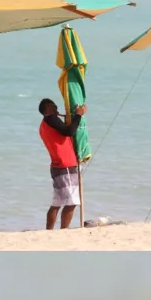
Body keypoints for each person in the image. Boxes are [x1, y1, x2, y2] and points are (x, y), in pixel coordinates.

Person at [38, 98, 87, 230]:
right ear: (47, 108)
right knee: (72, 202)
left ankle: (49, 231)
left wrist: (69, 121)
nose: (56, 108)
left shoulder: (45, 124)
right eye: (54, 105)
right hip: (65, 166)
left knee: (57, 202)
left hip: (57, 165)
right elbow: (68, 132)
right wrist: (78, 115)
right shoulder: (51, 119)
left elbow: (64, 132)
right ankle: (64, 230)